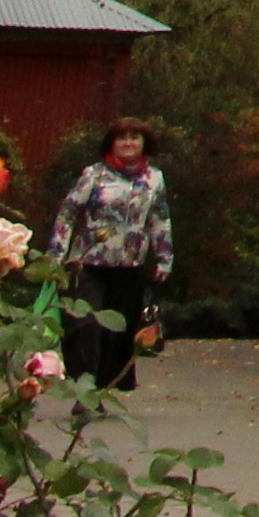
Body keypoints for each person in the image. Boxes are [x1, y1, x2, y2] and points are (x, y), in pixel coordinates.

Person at [47, 120, 177, 394]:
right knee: (84, 325)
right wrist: (56, 255)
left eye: (134, 137)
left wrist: (164, 257)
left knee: (116, 331)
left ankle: (102, 388)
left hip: (129, 264)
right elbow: (67, 215)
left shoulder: (154, 178)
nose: (128, 143)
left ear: (144, 143)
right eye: (121, 138)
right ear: (111, 143)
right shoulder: (94, 175)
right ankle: (84, 386)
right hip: (88, 262)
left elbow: (160, 220)